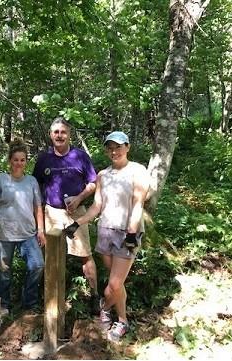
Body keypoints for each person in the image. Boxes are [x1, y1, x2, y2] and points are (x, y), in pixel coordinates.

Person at [64, 131, 149, 342]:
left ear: (127, 147)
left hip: (127, 233)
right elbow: (96, 207)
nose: (114, 151)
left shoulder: (138, 171)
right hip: (105, 232)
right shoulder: (103, 175)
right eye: (110, 147)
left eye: (118, 147)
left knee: (113, 285)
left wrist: (131, 233)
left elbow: (138, 205)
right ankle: (122, 318)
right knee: (117, 284)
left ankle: (105, 307)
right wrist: (77, 223)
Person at [31, 118, 100, 309]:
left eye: (63, 132)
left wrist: (79, 198)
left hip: (77, 214)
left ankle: (94, 296)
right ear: (50, 135)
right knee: (49, 255)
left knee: (85, 255)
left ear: (69, 134)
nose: (59, 136)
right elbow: (35, 184)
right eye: (56, 132)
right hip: (51, 213)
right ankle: (48, 296)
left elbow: (93, 183)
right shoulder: (44, 158)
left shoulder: (80, 156)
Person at [0, 141, 46, 314]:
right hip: (4, 234)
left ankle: (29, 302)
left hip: (28, 234)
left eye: (22, 160)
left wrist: (40, 230)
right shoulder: (1, 179)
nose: (19, 163)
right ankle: (4, 305)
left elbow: (37, 207)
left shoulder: (31, 181)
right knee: (3, 272)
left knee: (37, 265)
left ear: (26, 162)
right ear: (10, 161)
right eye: (15, 159)